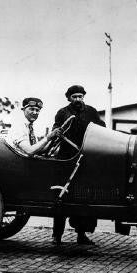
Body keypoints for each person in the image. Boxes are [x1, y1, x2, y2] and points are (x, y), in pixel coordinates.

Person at [52, 85, 105, 245]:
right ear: (68, 98)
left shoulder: (91, 112)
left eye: (80, 96)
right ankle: (57, 235)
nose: (78, 99)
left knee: (84, 198)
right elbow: (56, 128)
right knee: (62, 197)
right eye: (74, 96)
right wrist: (57, 131)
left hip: (85, 160)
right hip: (66, 160)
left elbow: (101, 129)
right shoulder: (62, 113)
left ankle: (82, 234)